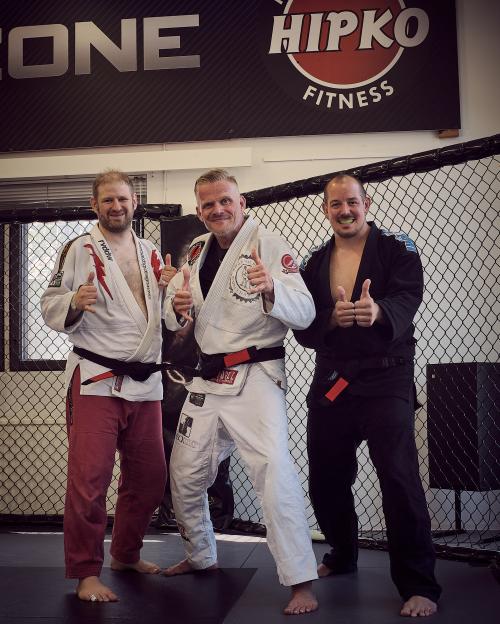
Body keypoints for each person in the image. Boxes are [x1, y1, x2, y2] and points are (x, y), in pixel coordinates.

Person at [162, 169, 319, 615]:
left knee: (273, 472)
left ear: (242, 202)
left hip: (255, 377)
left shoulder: (267, 244)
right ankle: (200, 554)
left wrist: (272, 289)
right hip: (208, 378)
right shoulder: (196, 249)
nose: (218, 210)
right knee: (184, 473)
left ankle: (301, 580)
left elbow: (306, 312)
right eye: (209, 204)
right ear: (199, 211)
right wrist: (176, 309)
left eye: (225, 201)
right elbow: (174, 312)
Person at [294, 174, 442, 617]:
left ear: (367, 203)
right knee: (325, 476)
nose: (345, 211)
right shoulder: (314, 262)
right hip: (333, 377)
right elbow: (304, 323)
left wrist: (379, 310)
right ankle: (342, 553)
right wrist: (330, 319)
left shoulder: (398, 248)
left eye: (352, 202)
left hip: (387, 377)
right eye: (336, 204)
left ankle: (419, 585)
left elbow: (409, 296)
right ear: (325, 209)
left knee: (398, 476)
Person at [41, 170, 175, 602]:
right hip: (96, 379)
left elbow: (164, 317)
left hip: (145, 381)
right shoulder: (78, 248)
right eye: (107, 200)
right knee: (89, 481)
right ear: (94, 205)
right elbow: (50, 302)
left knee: (151, 477)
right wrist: (73, 302)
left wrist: (174, 297)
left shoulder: (150, 251)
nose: (116, 206)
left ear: (135, 202)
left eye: (122, 199)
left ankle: (126, 553)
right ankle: (85, 574)